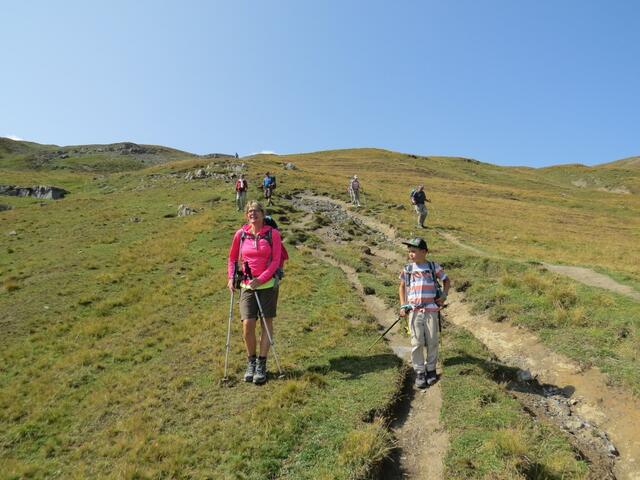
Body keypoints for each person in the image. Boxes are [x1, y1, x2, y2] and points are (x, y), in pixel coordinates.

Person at [227, 201, 282, 385]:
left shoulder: (272, 234)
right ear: (246, 215)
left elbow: (275, 261)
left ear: (262, 213)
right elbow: (232, 258)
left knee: (266, 323)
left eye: (256, 211)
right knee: (247, 323)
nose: (253, 213)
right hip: (247, 285)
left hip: (267, 286)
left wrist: (262, 279)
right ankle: (251, 361)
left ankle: (261, 364)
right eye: (250, 211)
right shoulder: (241, 234)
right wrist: (231, 277)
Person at [398, 237, 451, 389]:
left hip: (431, 311)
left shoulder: (433, 267)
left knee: (432, 341)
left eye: (413, 251)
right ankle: (420, 371)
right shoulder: (408, 268)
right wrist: (403, 306)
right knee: (417, 342)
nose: (410, 254)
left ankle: (431, 369)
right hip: (414, 311)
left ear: (424, 252)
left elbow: (446, 280)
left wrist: (443, 296)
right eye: (409, 251)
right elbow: (402, 287)